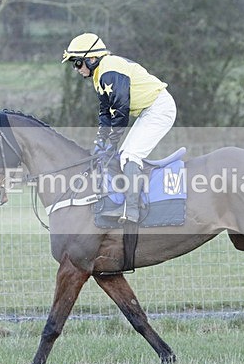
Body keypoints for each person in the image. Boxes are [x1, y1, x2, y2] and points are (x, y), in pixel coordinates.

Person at [61, 32, 177, 223]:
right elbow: (106, 112)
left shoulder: (109, 71)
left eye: (77, 63)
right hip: (149, 110)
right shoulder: (100, 75)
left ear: (91, 58)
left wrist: (112, 142)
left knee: (130, 156)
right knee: (120, 157)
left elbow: (120, 111)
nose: (76, 68)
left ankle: (132, 210)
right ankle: (121, 204)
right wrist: (100, 140)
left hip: (159, 108)